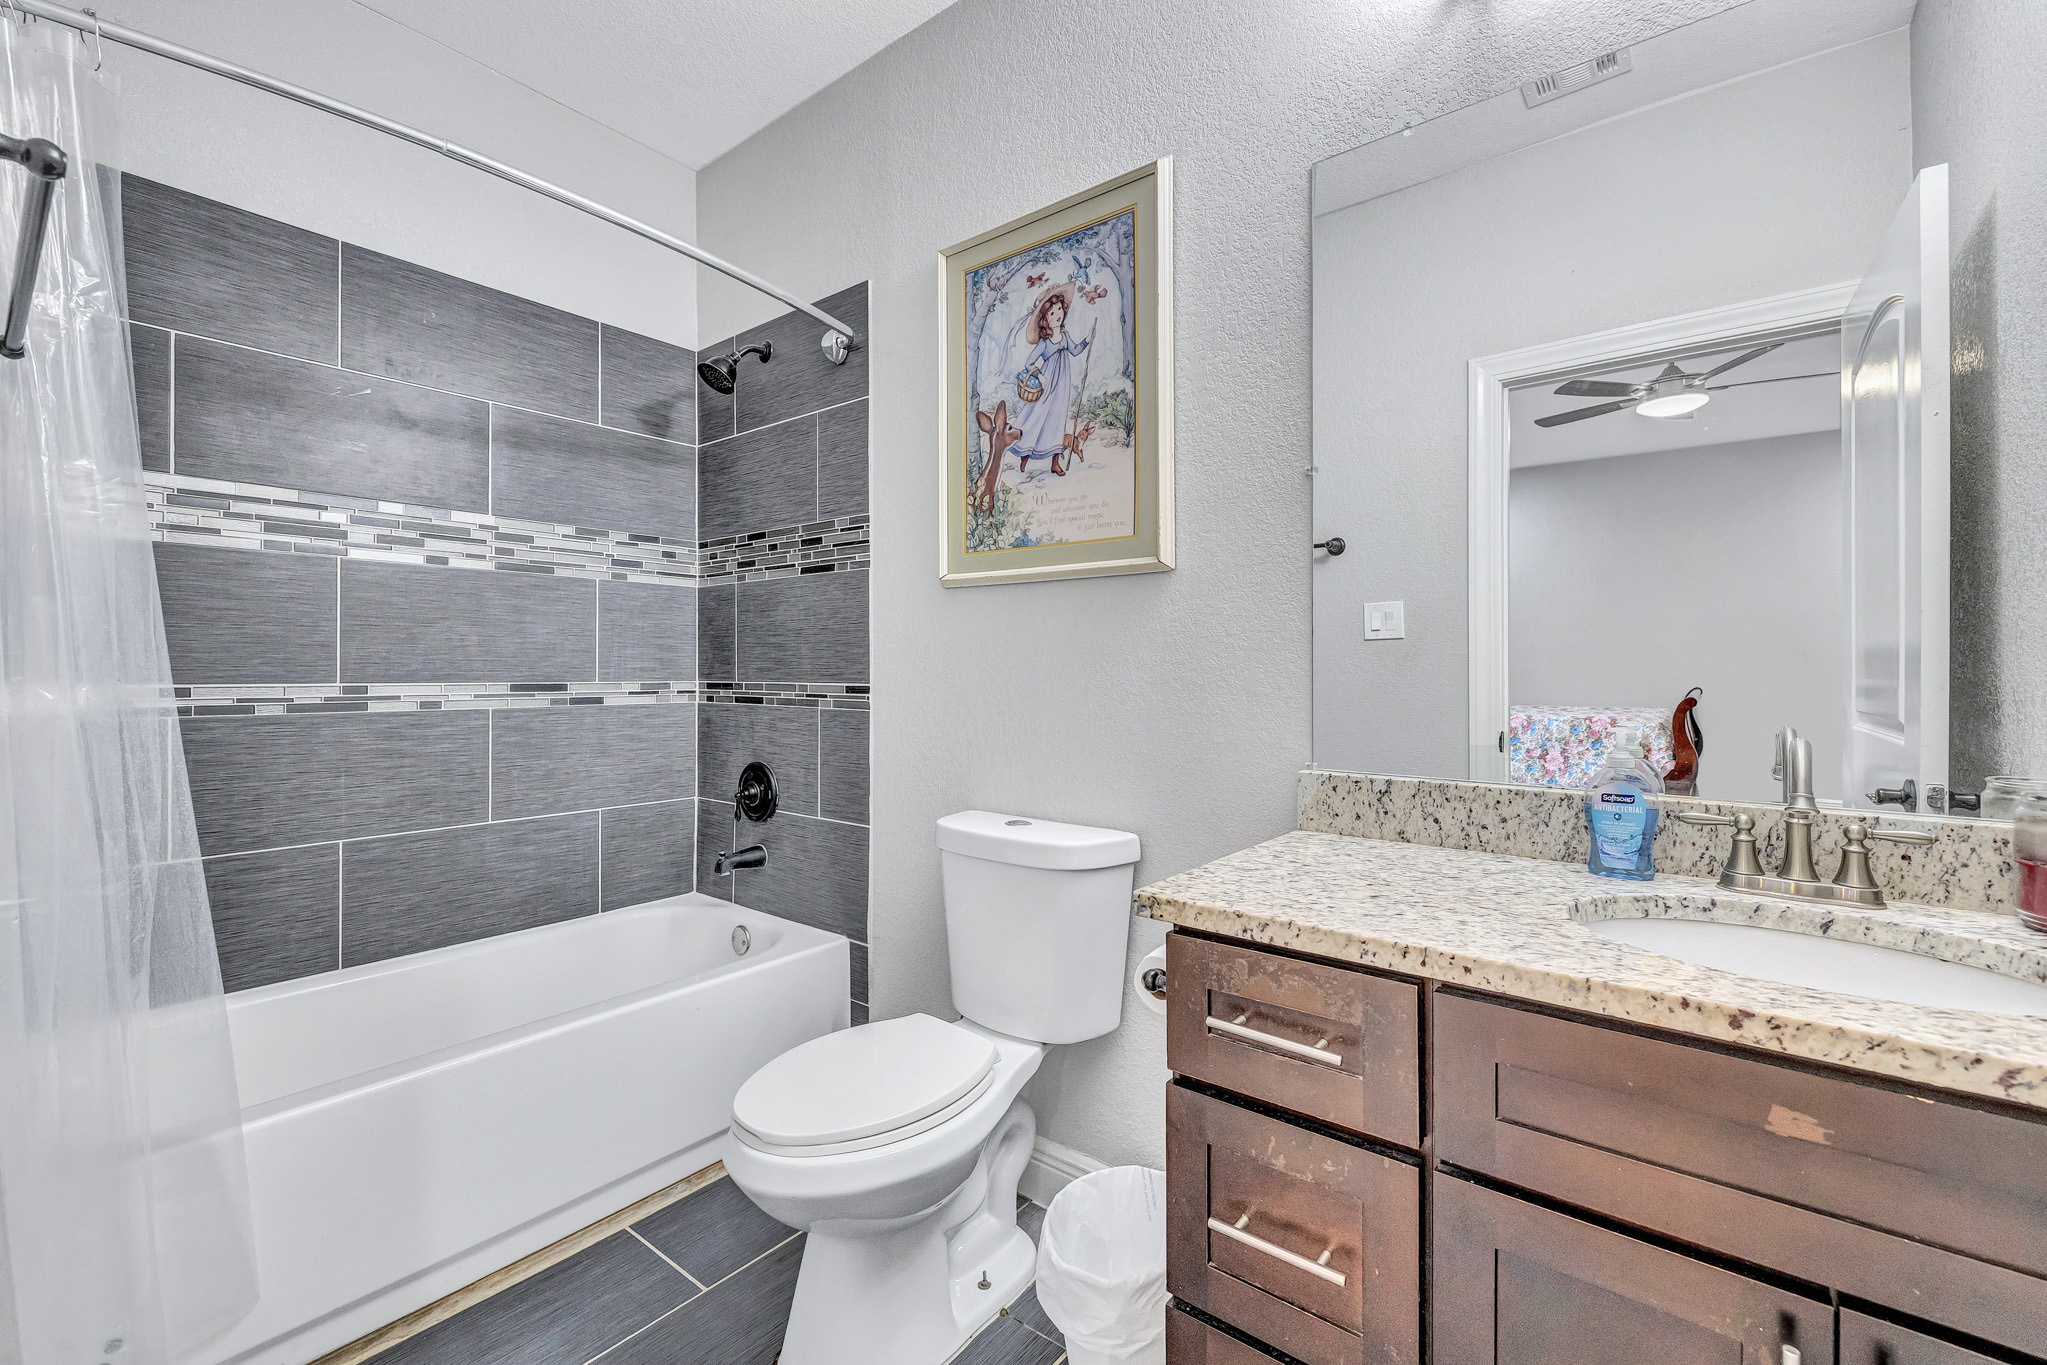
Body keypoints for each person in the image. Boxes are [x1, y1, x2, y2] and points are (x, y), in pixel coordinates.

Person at [1012, 288, 1089, 475]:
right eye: (1052, 313)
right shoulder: (1044, 342)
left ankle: (1055, 463)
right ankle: (1025, 455)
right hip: (1047, 384)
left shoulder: (1065, 336)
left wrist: (1087, 340)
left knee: (1057, 419)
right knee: (1038, 416)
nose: (1057, 315)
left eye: (1059, 310)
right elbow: (1029, 363)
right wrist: (1039, 375)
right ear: (1045, 319)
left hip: (1062, 384)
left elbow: (1075, 350)